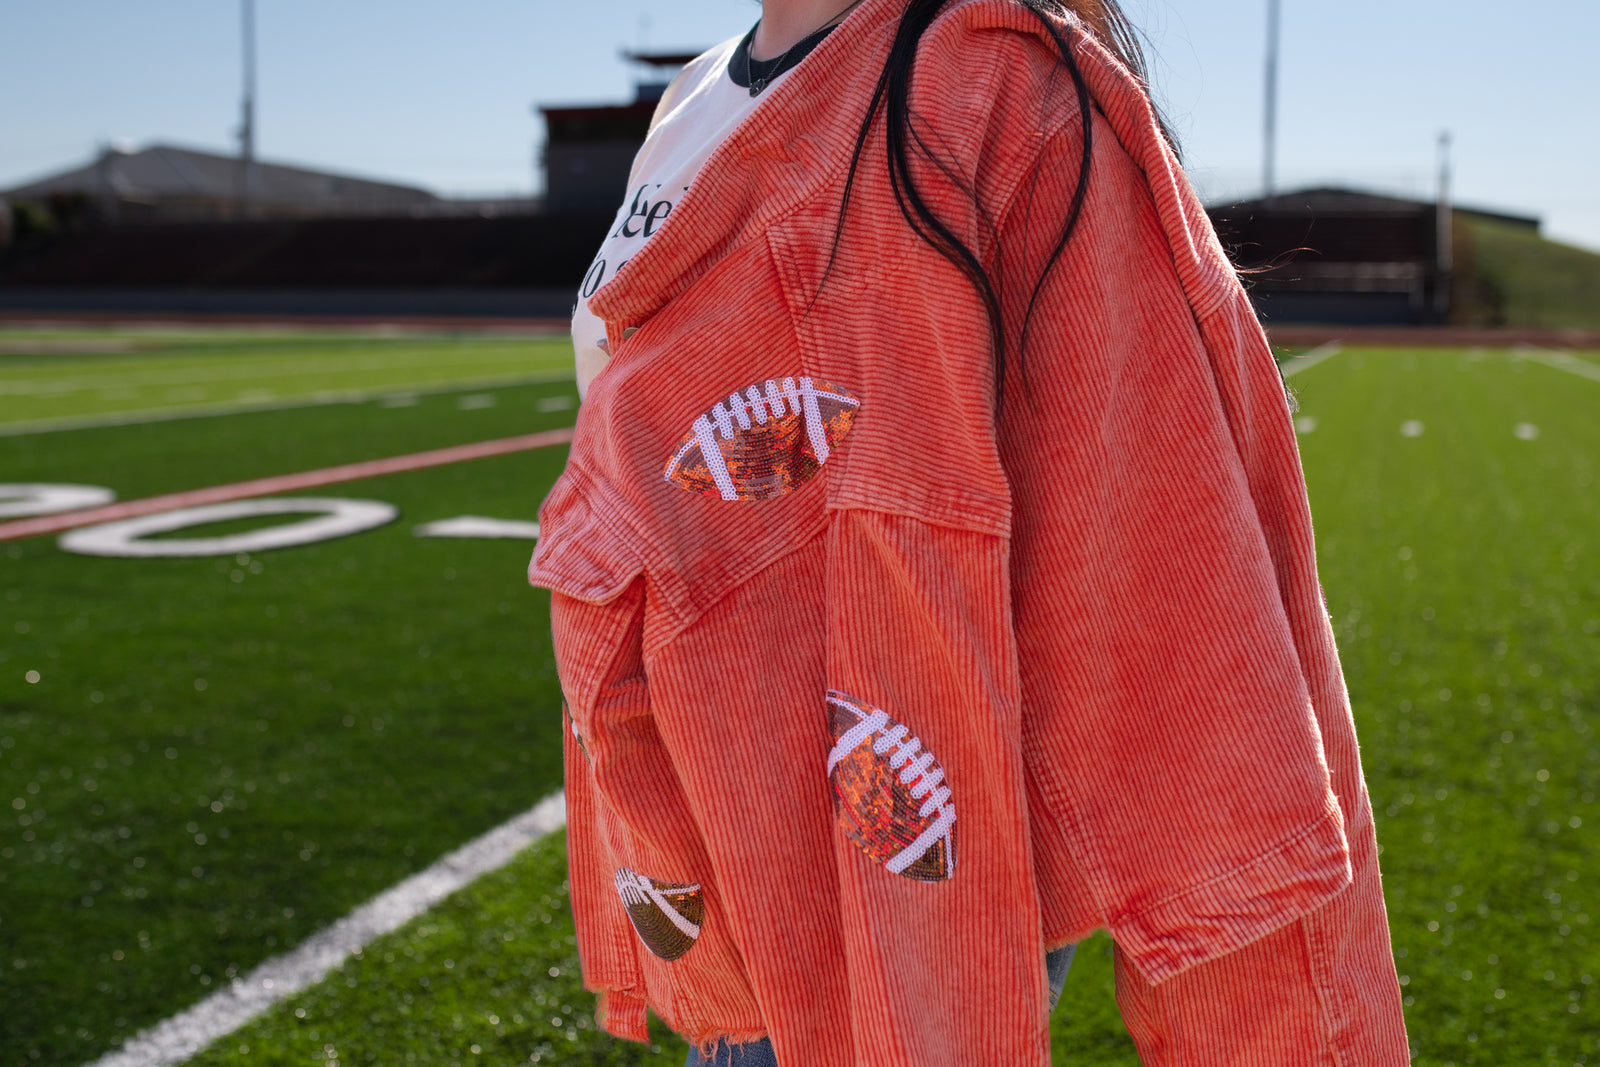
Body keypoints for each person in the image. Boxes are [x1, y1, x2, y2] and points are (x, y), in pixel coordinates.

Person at [532, 0, 1410, 1063]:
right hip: (721, 826)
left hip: (894, 845)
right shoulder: (693, 98)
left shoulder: (993, 89)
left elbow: (1172, 575)